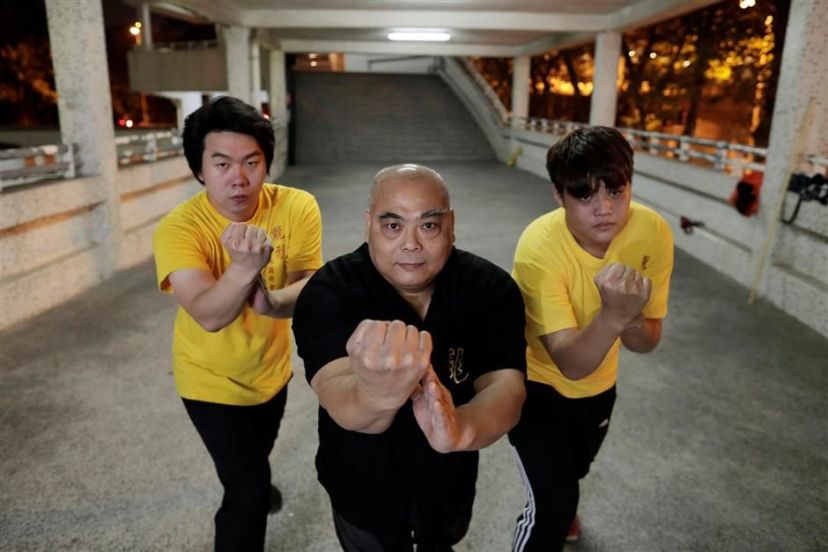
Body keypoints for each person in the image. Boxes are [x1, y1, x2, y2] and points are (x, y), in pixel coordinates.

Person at [292, 164, 527, 551]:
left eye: (429, 225)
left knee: (442, 542)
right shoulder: (330, 291)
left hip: (450, 477)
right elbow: (336, 391)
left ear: (451, 224)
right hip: (361, 481)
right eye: (392, 226)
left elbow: (506, 386)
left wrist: (462, 428)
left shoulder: (490, 288)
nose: (411, 244)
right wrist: (375, 394)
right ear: (369, 225)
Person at [152, 95, 322, 552]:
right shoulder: (179, 228)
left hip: (272, 370)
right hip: (209, 381)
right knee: (245, 495)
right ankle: (252, 488)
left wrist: (271, 303)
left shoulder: (297, 206)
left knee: (255, 458)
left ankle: (254, 476)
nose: (239, 178)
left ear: (267, 162)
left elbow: (312, 283)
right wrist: (245, 269)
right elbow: (208, 314)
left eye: (252, 161)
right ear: (199, 170)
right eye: (222, 164)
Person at [508, 126, 674, 551]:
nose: (605, 208)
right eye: (584, 195)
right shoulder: (539, 248)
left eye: (616, 191)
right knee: (552, 505)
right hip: (535, 384)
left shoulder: (652, 232)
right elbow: (570, 362)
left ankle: (563, 498)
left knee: (574, 472)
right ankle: (558, 506)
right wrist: (614, 314)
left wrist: (630, 320)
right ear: (558, 195)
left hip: (600, 388)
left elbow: (647, 341)